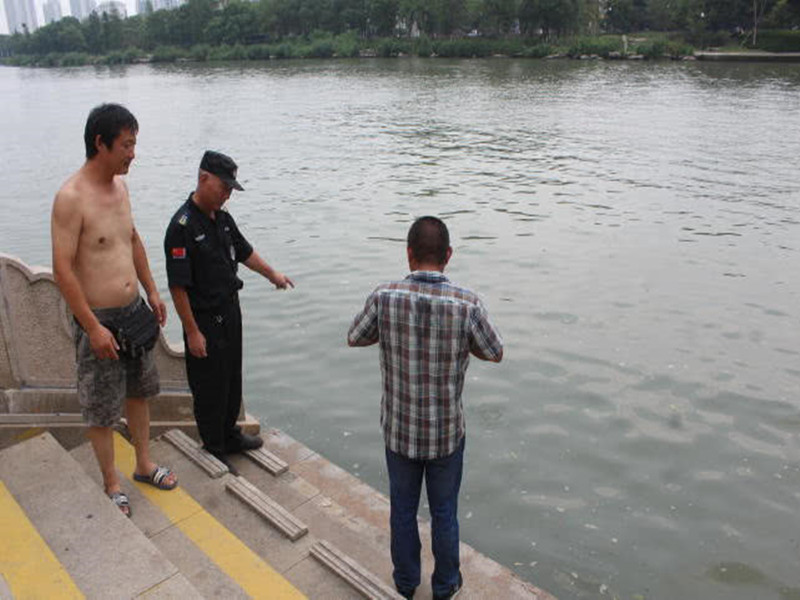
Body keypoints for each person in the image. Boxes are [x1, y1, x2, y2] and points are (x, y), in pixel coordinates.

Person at [347, 216, 503, 600]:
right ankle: (446, 586)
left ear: (409, 254)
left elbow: (354, 337)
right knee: (444, 513)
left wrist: (390, 332)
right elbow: (495, 352)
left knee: (402, 511)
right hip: (446, 434)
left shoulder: (385, 296)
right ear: (448, 255)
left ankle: (404, 583)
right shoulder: (467, 304)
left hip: (399, 432)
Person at [51, 103, 178, 518]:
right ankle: (110, 483)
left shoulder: (121, 188)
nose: (132, 153)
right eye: (126, 145)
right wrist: (91, 327)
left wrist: (153, 291)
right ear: (100, 143)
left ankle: (143, 464)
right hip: (100, 319)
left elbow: (133, 239)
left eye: (134, 144)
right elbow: (63, 270)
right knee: (101, 406)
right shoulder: (71, 198)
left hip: (133, 312)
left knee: (140, 393)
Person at [164, 150, 294, 473]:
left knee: (231, 378)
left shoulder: (222, 219)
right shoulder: (182, 226)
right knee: (209, 386)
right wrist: (192, 331)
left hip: (230, 311)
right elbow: (178, 287)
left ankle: (230, 434)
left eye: (230, 191)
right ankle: (214, 446)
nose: (226, 196)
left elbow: (246, 252)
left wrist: (272, 274)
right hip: (203, 319)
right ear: (203, 178)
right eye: (223, 188)